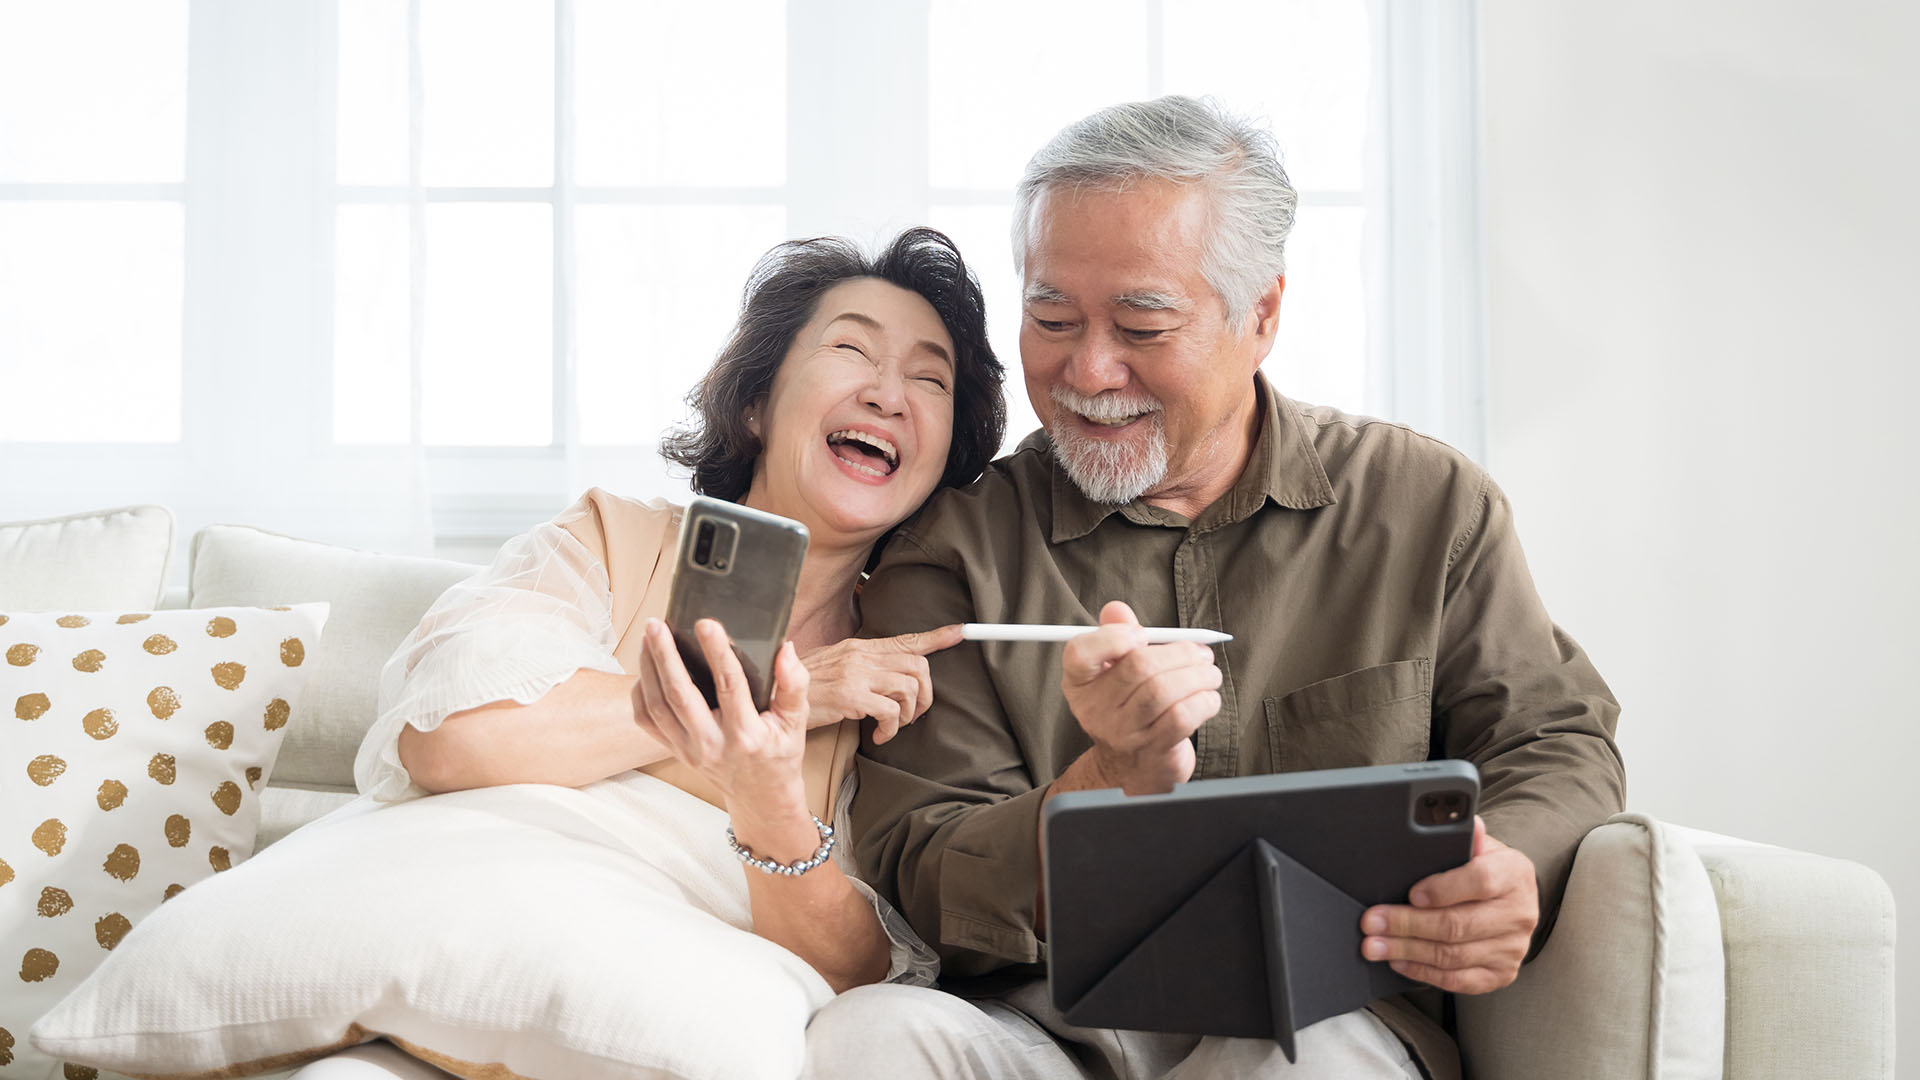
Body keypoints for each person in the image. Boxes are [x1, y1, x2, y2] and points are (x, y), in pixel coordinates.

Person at [806, 97, 1625, 1080]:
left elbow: (1556, 737)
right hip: (1046, 1027)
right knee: (869, 1039)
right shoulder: (954, 549)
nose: (1087, 368)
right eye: (1050, 316)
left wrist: (1509, 862)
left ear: (1262, 315)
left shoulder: (1426, 505)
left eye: (1143, 324)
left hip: (1328, 1019)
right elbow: (921, 872)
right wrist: (1104, 780)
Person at [350, 226, 1005, 995]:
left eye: (930, 381)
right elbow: (444, 736)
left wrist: (768, 800)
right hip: (463, 949)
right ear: (757, 402)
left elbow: (856, 970)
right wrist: (765, 696)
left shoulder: (903, 679)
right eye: (852, 351)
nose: (887, 395)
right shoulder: (610, 538)